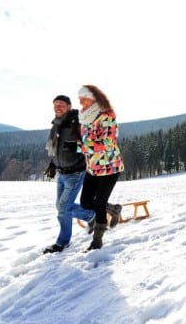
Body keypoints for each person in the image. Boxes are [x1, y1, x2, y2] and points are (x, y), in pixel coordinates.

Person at [43, 95, 96, 254]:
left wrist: (78, 148)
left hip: (75, 172)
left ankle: (62, 242)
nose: (57, 107)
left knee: (63, 208)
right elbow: (56, 149)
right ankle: (91, 216)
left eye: (61, 104)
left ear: (69, 106)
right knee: (61, 207)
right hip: (61, 173)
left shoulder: (78, 122)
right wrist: (53, 164)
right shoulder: (56, 125)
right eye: (55, 105)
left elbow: (93, 144)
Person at [77, 85, 124, 251]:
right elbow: (83, 142)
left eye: (84, 98)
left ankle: (97, 241)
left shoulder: (107, 116)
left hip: (109, 167)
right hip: (92, 168)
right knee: (85, 202)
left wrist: (84, 147)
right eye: (80, 99)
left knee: (99, 203)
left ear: (94, 98)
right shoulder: (83, 118)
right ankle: (114, 209)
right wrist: (76, 147)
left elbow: (108, 143)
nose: (80, 102)